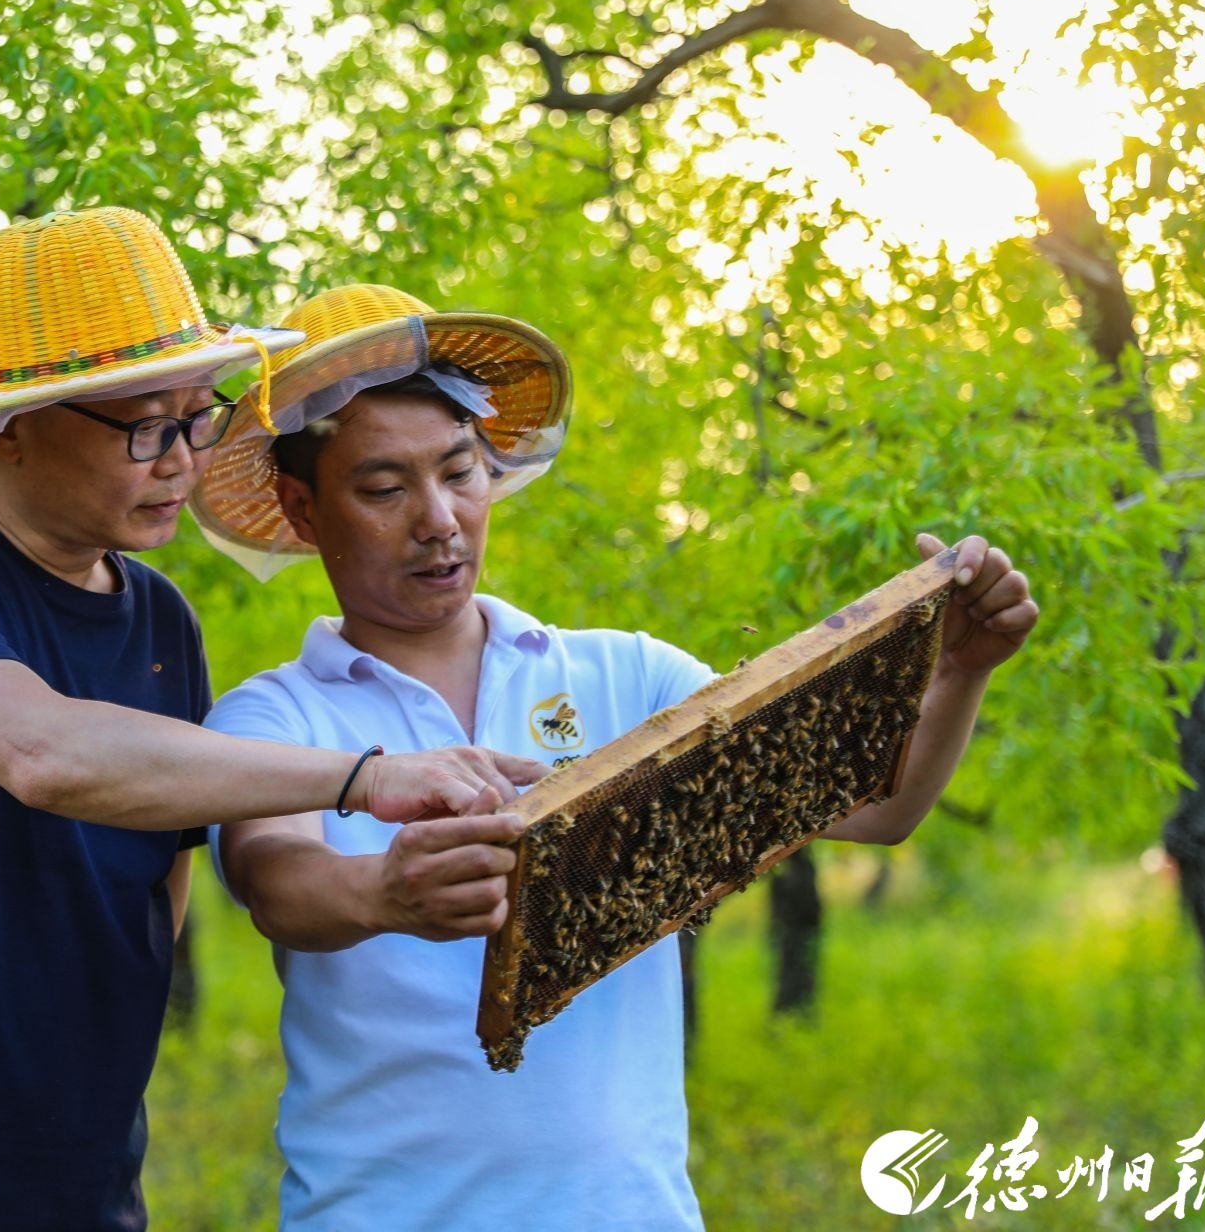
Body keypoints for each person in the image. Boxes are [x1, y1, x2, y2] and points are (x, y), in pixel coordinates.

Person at [0, 217, 544, 1232]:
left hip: (77, 1176)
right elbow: (41, 751)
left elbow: (159, 876)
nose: (182, 462)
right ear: (7, 426)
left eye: (198, 418)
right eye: (146, 429)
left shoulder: (158, 619)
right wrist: (365, 777)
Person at [189, 283, 1041, 1231]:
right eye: (385, 490)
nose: (438, 519)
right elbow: (278, 880)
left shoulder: (629, 676)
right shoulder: (275, 713)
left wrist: (958, 671)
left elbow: (876, 808)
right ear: (303, 509)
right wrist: (383, 891)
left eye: (460, 472)